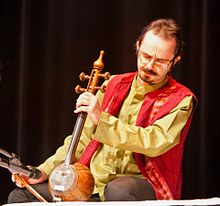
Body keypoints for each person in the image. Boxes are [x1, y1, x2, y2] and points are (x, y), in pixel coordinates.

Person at [8, 18, 197, 203]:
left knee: (118, 191)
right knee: (21, 196)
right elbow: (81, 140)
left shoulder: (180, 99)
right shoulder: (113, 84)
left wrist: (102, 119)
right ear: (137, 46)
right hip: (90, 182)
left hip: (138, 184)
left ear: (175, 61)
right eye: (146, 56)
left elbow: (153, 141)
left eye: (160, 61)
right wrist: (43, 171)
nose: (149, 65)